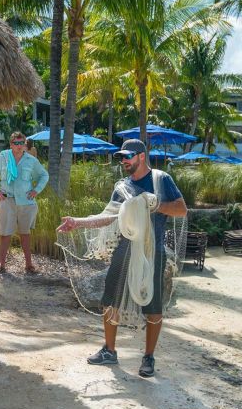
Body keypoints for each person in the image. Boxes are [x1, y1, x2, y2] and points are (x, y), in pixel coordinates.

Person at [57, 139, 187, 378]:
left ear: (141, 156)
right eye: (121, 157)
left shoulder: (161, 180)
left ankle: (148, 358)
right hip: (123, 250)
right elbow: (107, 218)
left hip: (153, 252)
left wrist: (157, 204)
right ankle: (109, 350)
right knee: (110, 300)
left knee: (153, 306)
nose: (124, 161)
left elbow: (181, 209)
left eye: (127, 156)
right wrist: (77, 222)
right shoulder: (122, 187)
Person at [0, 132, 49, 275]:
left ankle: (28, 265)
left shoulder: (31, 160)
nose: (19, 146)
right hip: (6, 200)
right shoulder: (3, 157)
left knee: (25, 233)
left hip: (26, 202)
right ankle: (1, 264)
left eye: (22, 143)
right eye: (16, 143)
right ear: (10, 144)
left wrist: (36, 190)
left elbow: (44, 175)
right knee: (4, 234)